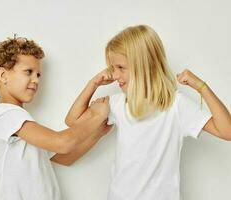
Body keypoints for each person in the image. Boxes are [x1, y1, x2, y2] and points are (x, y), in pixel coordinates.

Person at [65, 25, 231, 200]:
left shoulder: (176, 105)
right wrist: (93, 84)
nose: (114, 75)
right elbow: (73, 121)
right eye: (112, 68)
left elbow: (227, 131)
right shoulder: (118, 104)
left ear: (144, 66)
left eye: (121, 68)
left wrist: (202, 87)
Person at [0, 36, 112, 200]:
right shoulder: (4, 115)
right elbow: (62, 143)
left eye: (38, 75)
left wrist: (98, 133)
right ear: (3, 75)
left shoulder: (23, 125)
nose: (36, 80)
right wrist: (96, 116)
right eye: (28, 72)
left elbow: (66, 157)